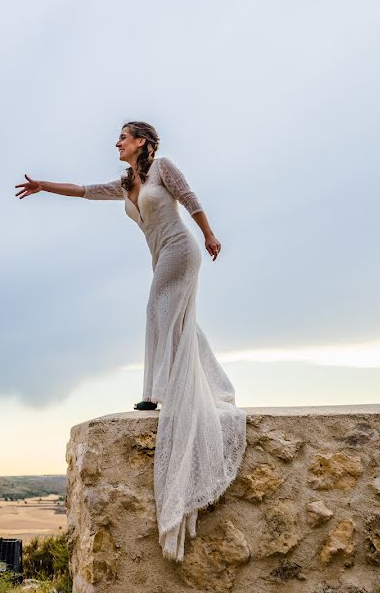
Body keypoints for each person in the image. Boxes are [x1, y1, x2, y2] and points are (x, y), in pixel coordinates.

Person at [14, 121, 245, 561]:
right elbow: (83, 190)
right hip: (160, 255)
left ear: (142, 141)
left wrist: (210, 234)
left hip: (181, 249)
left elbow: (192, 199)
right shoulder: (125, 183)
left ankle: (154, 393)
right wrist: (43, 185)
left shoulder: (163, 169)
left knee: (159, 309)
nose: (117, 142)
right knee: (176, 322)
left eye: (123, 136)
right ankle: (176, 385)